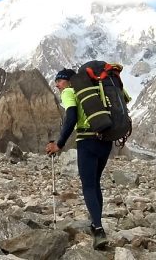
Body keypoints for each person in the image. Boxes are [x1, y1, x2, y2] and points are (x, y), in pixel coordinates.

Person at [46, 68, 112, 250]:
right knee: (95, 183)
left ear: (68, 81)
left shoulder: (69, 92)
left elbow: (71, 117)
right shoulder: (97, 89)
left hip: (87, 141)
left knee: (88, 186)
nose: (57, 85)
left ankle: (98, 230)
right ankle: (96, 222)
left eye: (59, 80)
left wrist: (59, 144)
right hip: (105, 141)